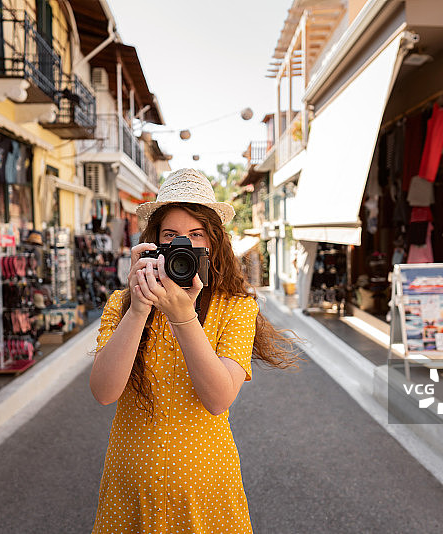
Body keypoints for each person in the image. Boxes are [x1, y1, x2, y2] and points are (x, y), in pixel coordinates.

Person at [90, 168, 299, 533]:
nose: (182, 246)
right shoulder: (122, 305)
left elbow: (218, 399)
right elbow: (104, 392)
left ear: (212, 244)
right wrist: (137, 309)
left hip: (207, 496)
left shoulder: (235, 308)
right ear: (153, 244)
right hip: (129, 494)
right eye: (170, 235)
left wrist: (184, 317)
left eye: (196, 235)